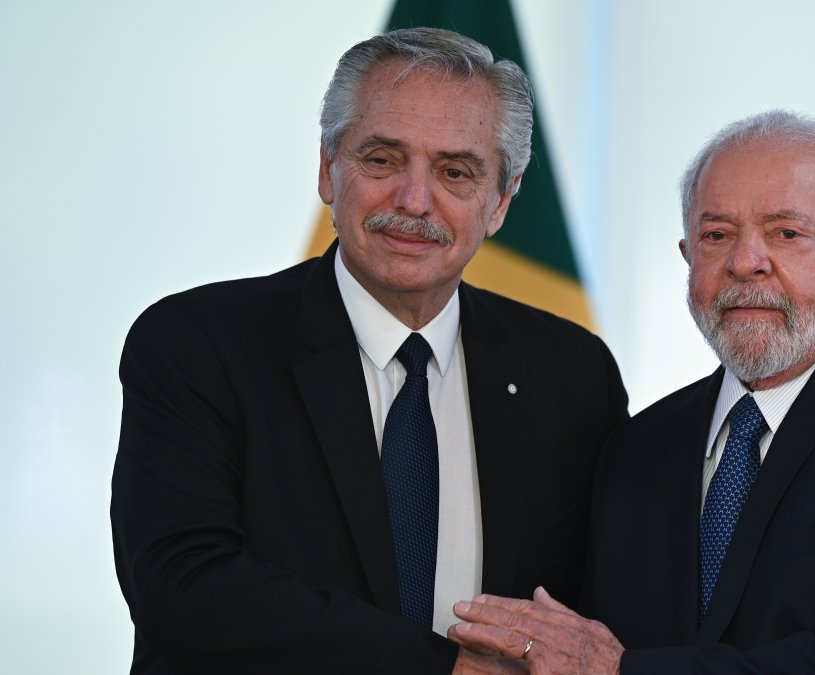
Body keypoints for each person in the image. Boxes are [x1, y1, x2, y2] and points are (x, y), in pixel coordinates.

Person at [110, 28, 627, 674]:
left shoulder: (571, 374)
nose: (413, 200)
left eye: (455, 171)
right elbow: (184, 588)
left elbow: (601, 607)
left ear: (500, 201)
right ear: (329, 170)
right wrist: (444, 668)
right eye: (382, 160)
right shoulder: (197, 344)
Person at [448, 110, 815, 673]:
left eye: (786, 233)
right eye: (717, 234)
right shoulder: (638, 446)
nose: (745, 262)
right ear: (687, 258)